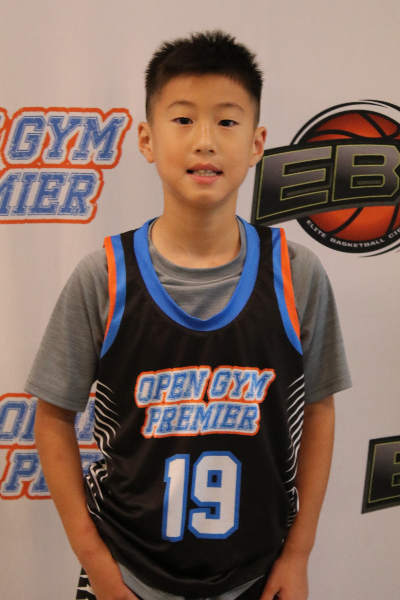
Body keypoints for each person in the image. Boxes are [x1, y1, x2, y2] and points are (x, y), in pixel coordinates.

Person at [28, 31, 351, 600]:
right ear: (147, 139)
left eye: (226, 121)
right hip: (127, 574)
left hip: (258, 574)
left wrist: (299, 553)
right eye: (183, 120)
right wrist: (95, 562)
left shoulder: (297, 275)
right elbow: (53, 418)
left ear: (257, 143)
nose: (205, 141)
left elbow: (319, 410)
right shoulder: (103, 277)